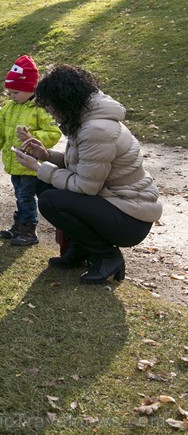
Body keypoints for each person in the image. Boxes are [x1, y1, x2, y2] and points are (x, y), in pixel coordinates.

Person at [15, 65, 161, 284]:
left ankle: (108, 256)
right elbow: (85, 167)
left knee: (50, 199)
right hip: (114, 203)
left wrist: (38, 168)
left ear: (64, 100)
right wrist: (45, 155)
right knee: (43, 186)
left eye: (51, 106)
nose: (51, 112)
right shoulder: (85, 119)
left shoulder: (96, 130)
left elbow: (86, 186)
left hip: (131, 217)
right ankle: (81, 249)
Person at [0, 56, 62, 246]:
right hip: (13, 163)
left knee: (26, 197)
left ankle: (28, 229)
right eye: (9, 92)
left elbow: (53, 133)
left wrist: (32, 136)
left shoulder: (40, 110)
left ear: (31, 88)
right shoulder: (8, 108)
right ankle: (19, 224)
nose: (11, 96)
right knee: (19, 195)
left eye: (15, 92)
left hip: (30, 165)